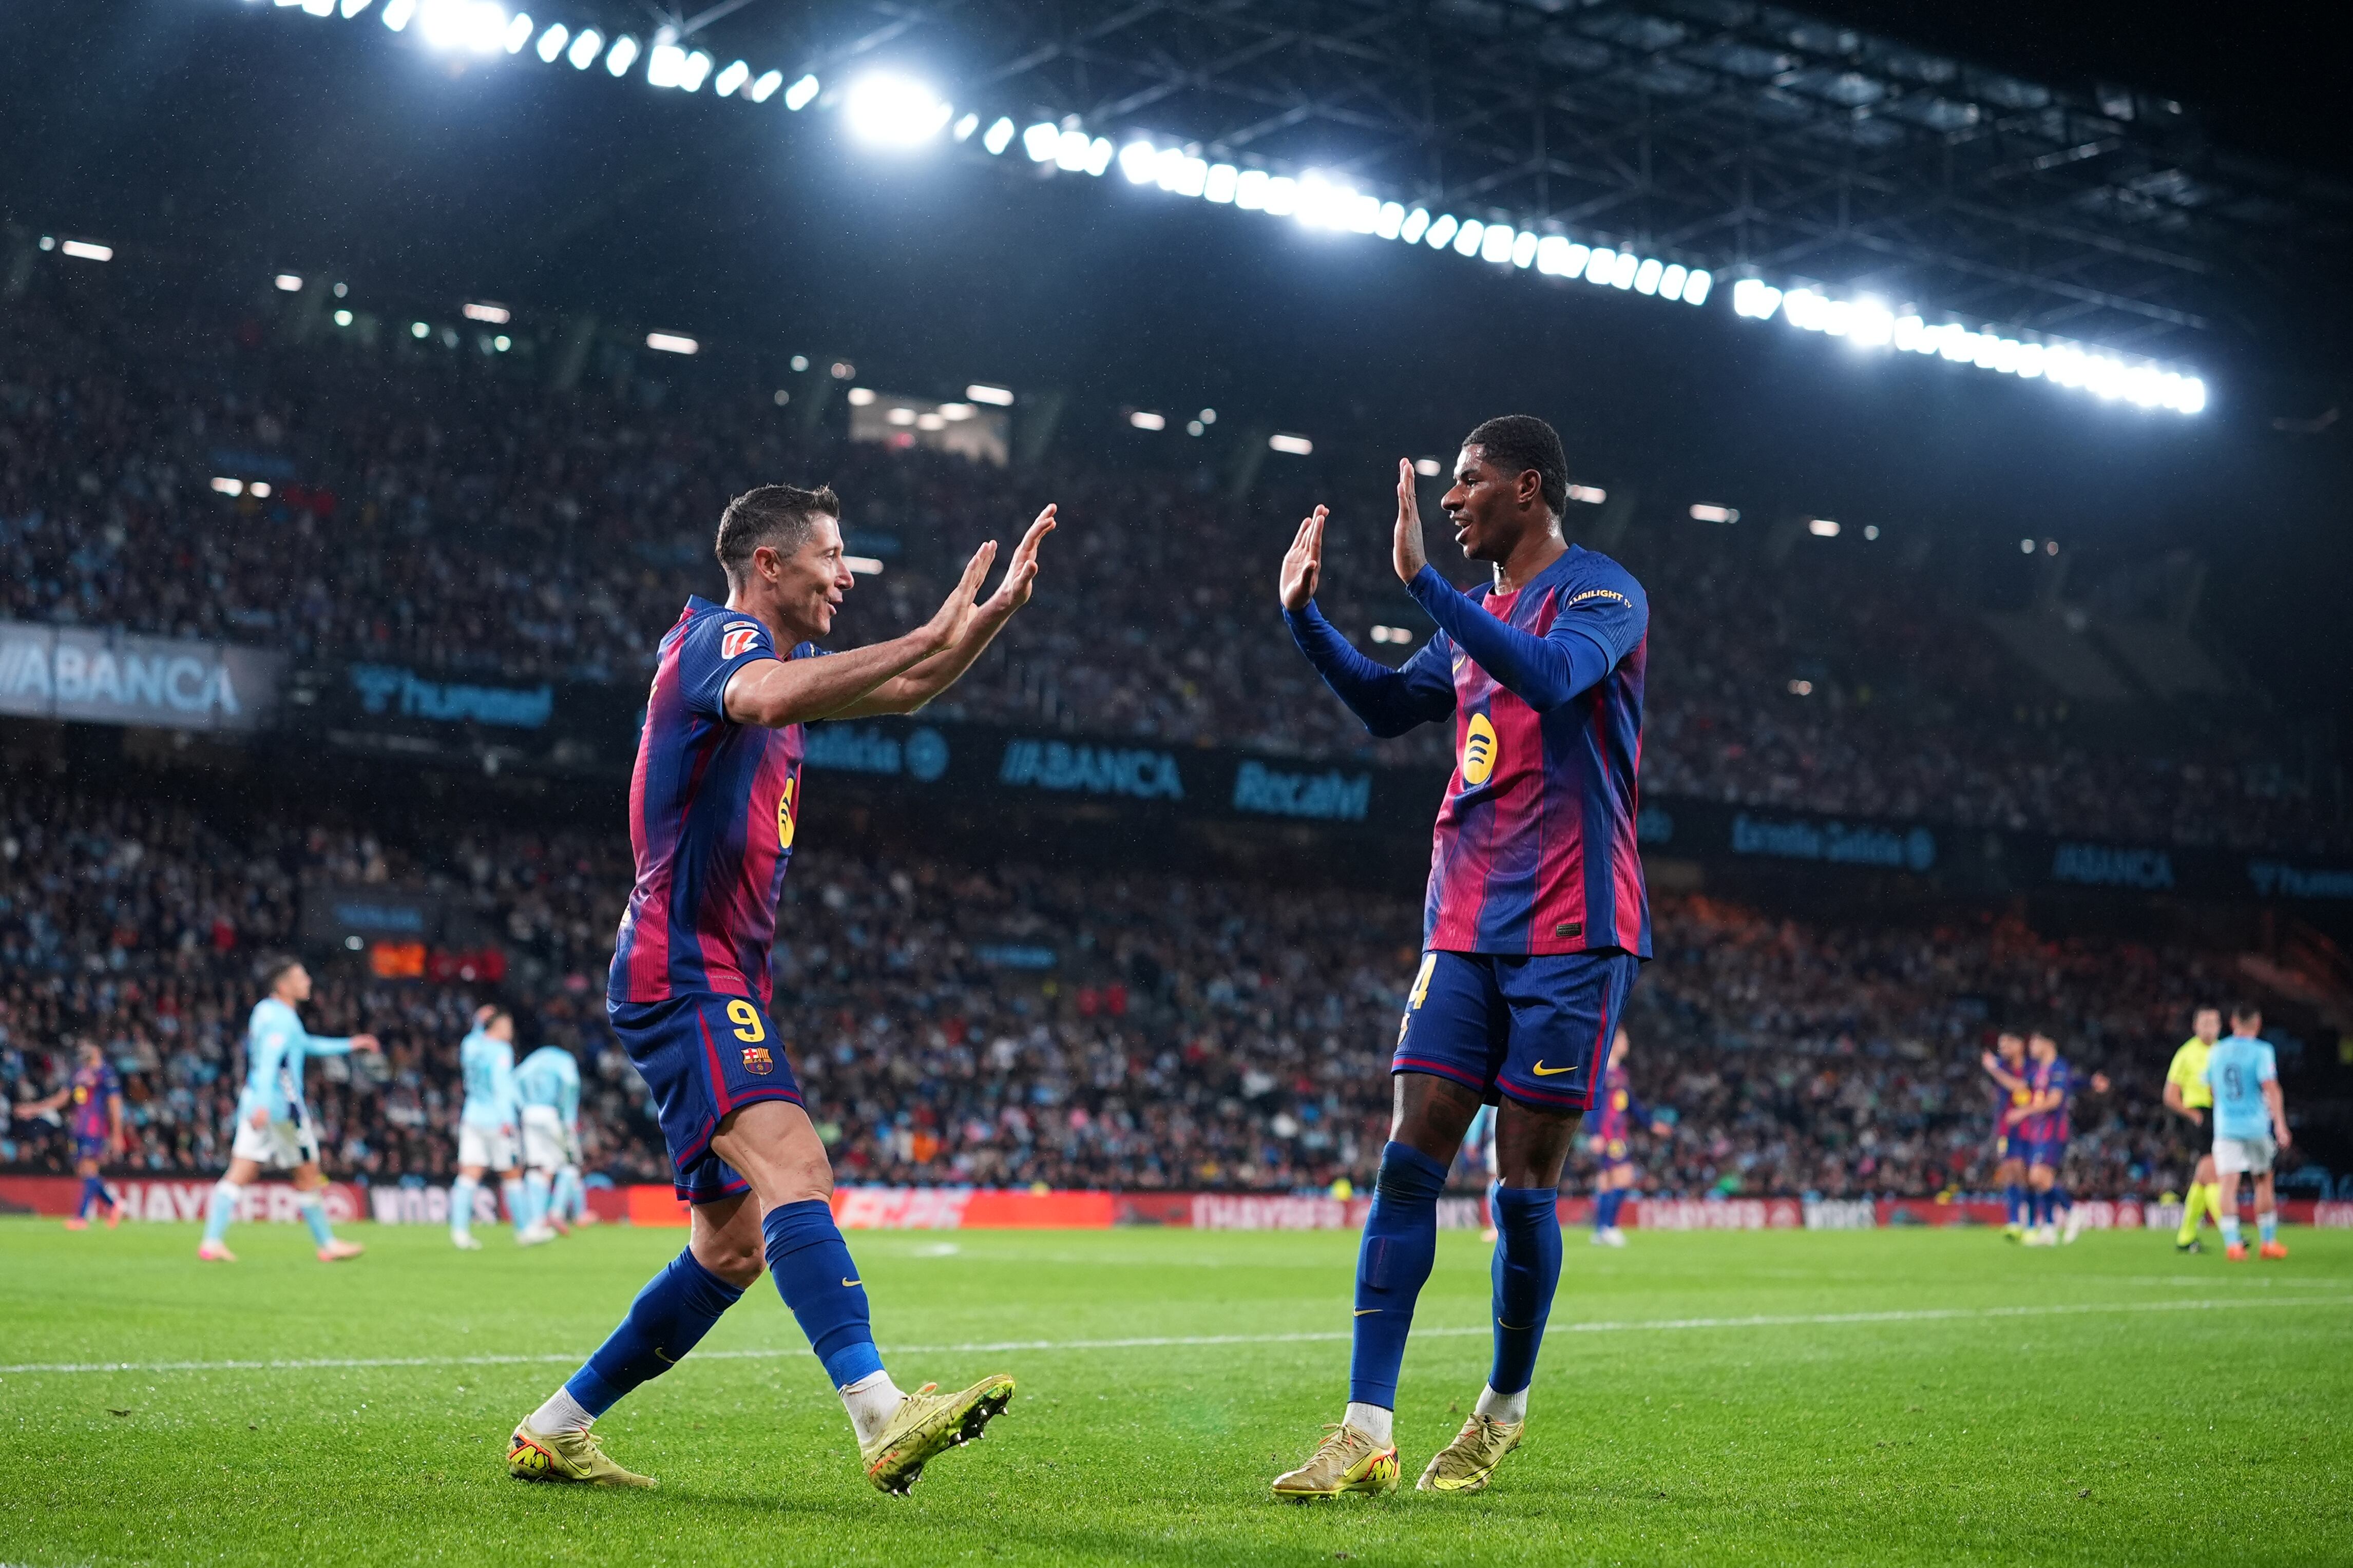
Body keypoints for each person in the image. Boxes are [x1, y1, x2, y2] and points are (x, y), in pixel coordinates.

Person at [507, 481, 1056, 1494]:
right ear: (770, 564)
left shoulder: (787, 663)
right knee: (795, 1171)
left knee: (728, 1249)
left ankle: (558, 1426)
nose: (845, 576)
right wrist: (930, 624)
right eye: (832, 557)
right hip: (685, 969)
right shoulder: (716, 643)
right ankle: (879, 1414)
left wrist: (980, 623)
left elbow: (905, 693)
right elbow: (762, 698)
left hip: (711, 969)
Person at [1272, 416, 1649, 1500]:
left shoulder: (1600, 595)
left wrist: (1424, 587)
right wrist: (1306, 620)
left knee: (1520, 1188)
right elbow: (1392, 706)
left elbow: (1549, 679)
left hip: (1573, 928)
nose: (1449, 498)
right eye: (1445, 484)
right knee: (1407, 1156)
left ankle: (1499, 1409)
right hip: (1463, 920)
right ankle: (1364, 1427)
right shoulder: (1471, 616)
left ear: (1527, 488)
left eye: (1468, 481)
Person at [198, 957, 379, 1263]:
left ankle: (212, 1241)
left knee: (241, 1171)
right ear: (284, 986)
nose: (308, 981)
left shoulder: (265, 1012)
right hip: (281, 1107)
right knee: (308, 1173)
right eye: (301, 977)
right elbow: (271, 1058)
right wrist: (265, 1106)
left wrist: (348, 1045)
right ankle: (327, 1244)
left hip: (255, 1098)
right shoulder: (282, 1018)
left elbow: (303, 1045)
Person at [2204, 1003, 2290, 1261]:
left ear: (2233, 1023)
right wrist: (2280, 1125)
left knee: (2227, 1186)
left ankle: (2233, 1246)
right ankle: (2268, 1243)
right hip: (2255, 1128)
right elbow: (2271, 1088)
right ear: (2258, 1024)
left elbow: (2211, 1090)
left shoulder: (2217, 1052)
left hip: (2226, 1129)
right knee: (2263, 1182)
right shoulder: (2262, 1051)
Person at [451, 1007, 541, 1249]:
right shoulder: (501, 1051)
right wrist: (508, 1121)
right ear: (498, 1027)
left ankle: (459, 1232)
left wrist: (477, 1022)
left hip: (471, 1117)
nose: (511, 1031)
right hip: (496, 1121)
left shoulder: (470, 1046)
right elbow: (501, 1087)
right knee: (512, 1174)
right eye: (508, 1026)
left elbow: (474, 1036)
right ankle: (525, 1230)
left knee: (468, 1175)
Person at [12, 1039, 124, 1229]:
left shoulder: (106, 1073)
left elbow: (115, 1103)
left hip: (95, 1128)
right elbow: (61, 1099)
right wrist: (33, 1109)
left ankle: (81, 1218)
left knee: (88, 1168)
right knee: (84, 1172)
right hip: (79, 1128)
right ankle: (113, 1205)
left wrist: (117, 1133)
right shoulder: (79, 1073)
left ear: (97, 1051)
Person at [2015, 1032, 2109, 1246]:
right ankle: (2048, 1228)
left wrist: (2024, 1112)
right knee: (2040, 1180)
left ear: (2049, 1043)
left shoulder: (2058, 1067)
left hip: (2054, 1131)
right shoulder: (2040, 1071)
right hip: (2038, 1131)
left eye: (2035, 1042)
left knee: (2039, 1176)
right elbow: (2024, 1085)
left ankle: (2073, 1212)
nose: (2031, 1047)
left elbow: (2055, 1101)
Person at [1584, 1028, 1670, 1248]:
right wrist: (1595, 1134)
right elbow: (1592, 1104)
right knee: (1624, 1176)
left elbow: (1631, 1104)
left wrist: (1651, 1124)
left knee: (1607, 1181)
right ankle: (1608, 1227)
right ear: (1615, 1043)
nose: (1628, 1044)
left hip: (1617, 1134)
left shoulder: (1619, 1073)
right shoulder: (1601, 1071)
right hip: (1609, 1135)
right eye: (1625, 1040)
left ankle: (1601, 1230)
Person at [2164, 1006, 2225, 1253]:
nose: (2210, 1027)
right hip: (2198, 1115)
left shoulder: (2224, 1051)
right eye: (2205, 1022)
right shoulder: (2186, 1054)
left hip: (2221, 1115)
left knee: (2203, 1176)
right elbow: (2170, 1094)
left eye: (2214, 1022)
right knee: (2212, 1170)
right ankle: (2229, 1230)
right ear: (2195, 1026)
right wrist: (2193, 1115)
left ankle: (2186, 1236)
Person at [515, 1041, 583, 1236]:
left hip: (529, 1114)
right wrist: (568, 1116)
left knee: (540, 1167)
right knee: (571, 1165)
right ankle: (556, 1212)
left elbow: (515, 1079)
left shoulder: (535, 1058)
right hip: (552, 1115)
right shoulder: (564, 1060)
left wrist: (524, 1105)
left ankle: (537, 1220)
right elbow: (570, 1083)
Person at [1978, 1032, 2033, 1240]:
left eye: (2007, 1044)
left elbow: (2020, 1086)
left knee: (2025, 1175)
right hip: (2006, 1129)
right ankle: (2013, 1223)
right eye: (2000, 1045)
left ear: (2020, 1044)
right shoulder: (2002, 1065)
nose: (2002, 1048)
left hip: (2028, 1127)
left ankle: (2031, 1222)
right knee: (2009, 1172)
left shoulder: (2031, 1067)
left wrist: (1994, 1070)